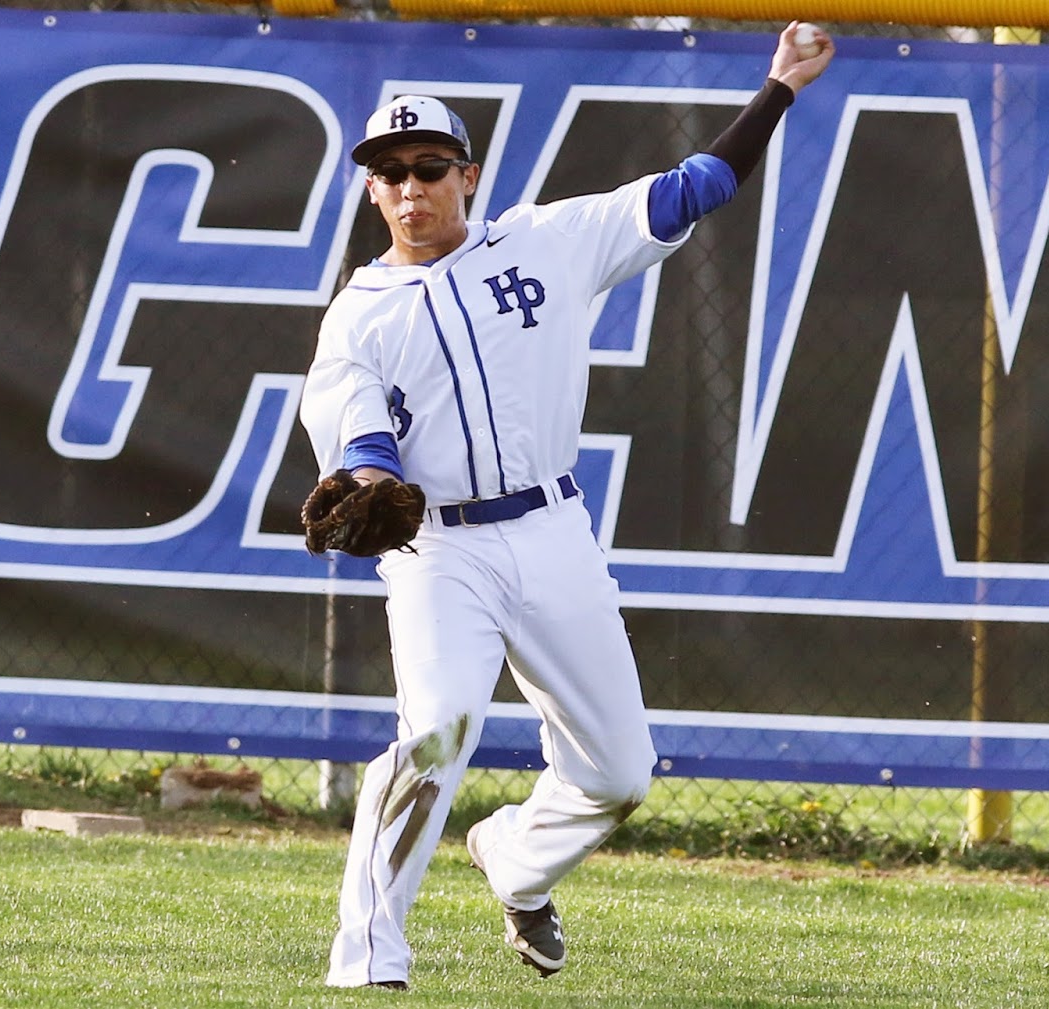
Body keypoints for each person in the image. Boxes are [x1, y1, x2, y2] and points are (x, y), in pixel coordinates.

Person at [298, 22, 835, 990]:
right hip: (437, 552)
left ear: (469, 174)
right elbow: (356, 430)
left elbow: (694, 191)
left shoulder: (545, 241)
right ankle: (369, 962)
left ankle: (514, 860)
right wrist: (372, 479)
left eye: (429, 166)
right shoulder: (359, 313)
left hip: (551, 532)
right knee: (436, 730)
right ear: (371, 190)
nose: (410, 188)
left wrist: (778, 89)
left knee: (620, 772)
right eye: (390, 173)